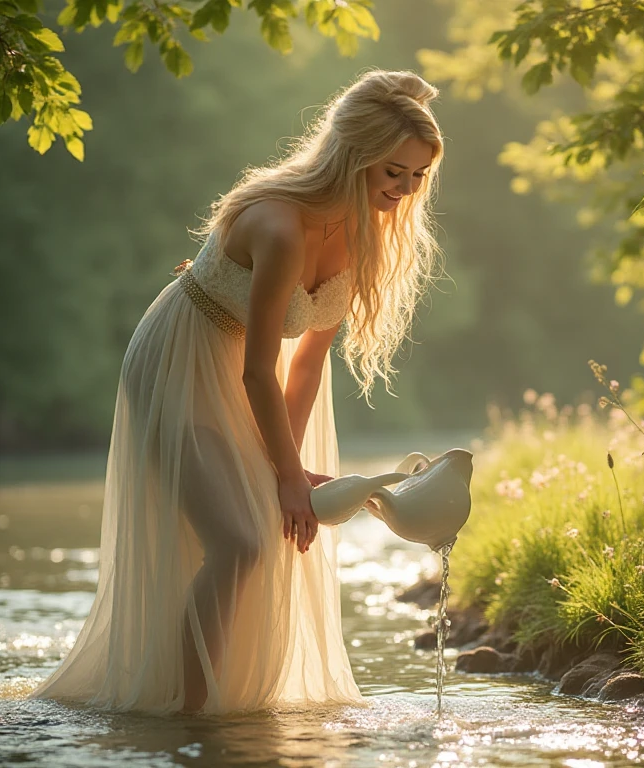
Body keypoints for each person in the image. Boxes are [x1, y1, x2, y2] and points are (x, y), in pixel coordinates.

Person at [30, 68, 445, 716]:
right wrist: (286, 476)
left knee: (269, 526)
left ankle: (217, 698)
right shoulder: (279, 225)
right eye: (394, 171)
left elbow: (305, 365)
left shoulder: (363, 239)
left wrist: (290, 469)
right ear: (354, 155)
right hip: (181, 359)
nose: (406, 188)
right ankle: (191, 719)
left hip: (245, 373)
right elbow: (260, 370)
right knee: (240, 542)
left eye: (418, 175)